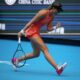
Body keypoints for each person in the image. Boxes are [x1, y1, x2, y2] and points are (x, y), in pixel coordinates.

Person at [12, 1, 67, 75]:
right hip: (31, 31)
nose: (58, 12)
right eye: (58, 10)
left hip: (36, 32)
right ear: (53, 8)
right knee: (45, 49)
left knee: (36, 54)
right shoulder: (43, 12)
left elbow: (48, 28)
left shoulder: (52, 17)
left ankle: (17, 60)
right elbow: (31, 21)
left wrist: (55, 27)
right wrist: (22, 31)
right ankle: (58, 68)